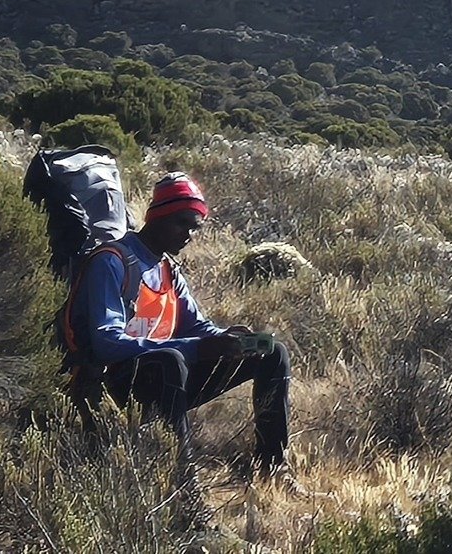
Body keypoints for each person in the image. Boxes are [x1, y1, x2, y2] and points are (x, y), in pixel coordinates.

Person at [68, 171, 292, 480]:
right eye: (180, 223)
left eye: (194, 227)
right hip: (115, 383)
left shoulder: (168, 270)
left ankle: (273, 468)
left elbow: (196, 327)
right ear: (156, 217)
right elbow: (107, 343)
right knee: (170, 360)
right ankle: (184, 489)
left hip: (166, 378)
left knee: (272, 352)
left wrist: (224, 340)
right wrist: (197, 348)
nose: (188, 235)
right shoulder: (112, 261)